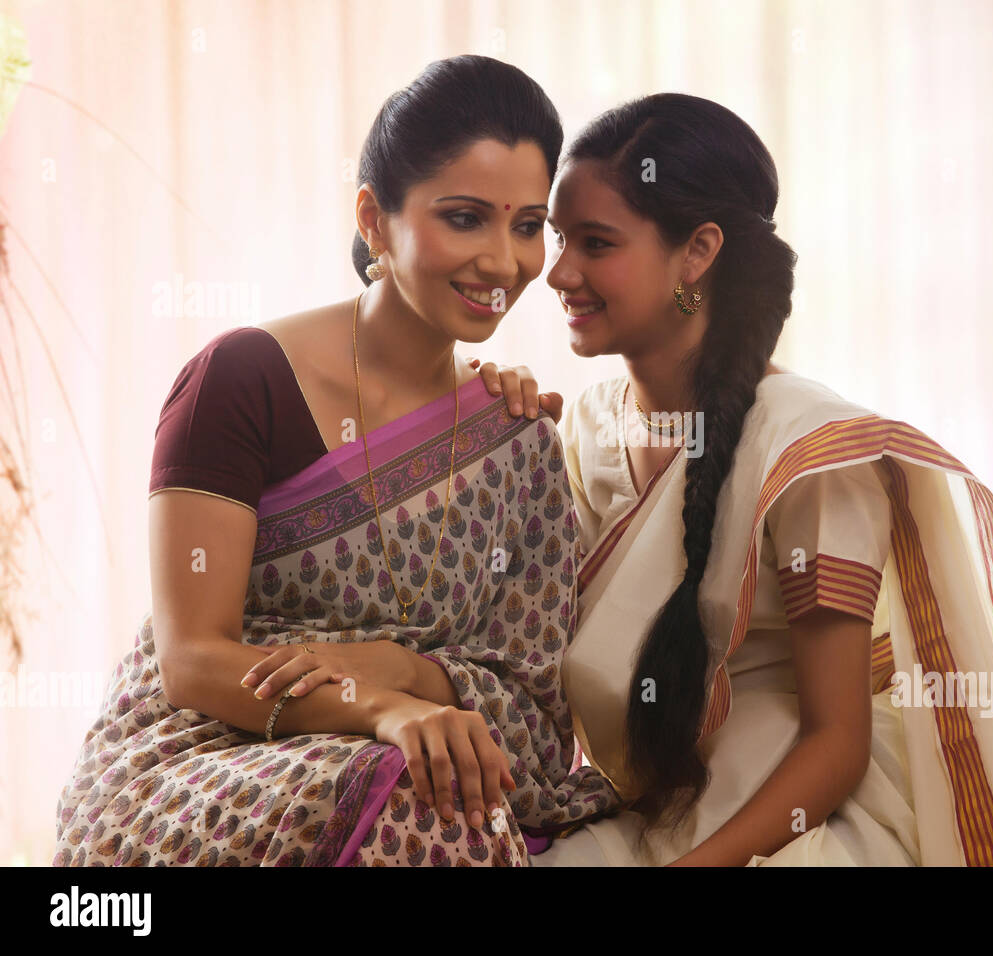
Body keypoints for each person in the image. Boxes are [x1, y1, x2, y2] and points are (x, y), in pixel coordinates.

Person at [51, 55, 618, 867]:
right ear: (374, 219)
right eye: (465, 218)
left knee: (434, 796)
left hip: (416, 755)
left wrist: (394, 672)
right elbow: (192, 661)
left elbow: (531, 712)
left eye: (528, 225)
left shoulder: (517, 438)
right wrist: (379, 708)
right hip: (203, 752)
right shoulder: (242, 379)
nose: (504, 262)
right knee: (413, 803)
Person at [497, 92, 993, 866]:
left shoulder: (811, 450)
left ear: (698, 252)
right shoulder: (581, 429)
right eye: (559, 239)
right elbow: (528, 647)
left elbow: (837, 747)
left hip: (797, 826)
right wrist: (477, 429)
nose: (560, 273)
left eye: (597, 243)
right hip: (644, 811)